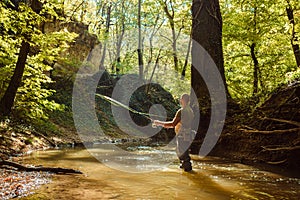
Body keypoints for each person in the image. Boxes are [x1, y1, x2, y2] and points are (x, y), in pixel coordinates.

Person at [153, 93, 194, 172]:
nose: (180, 100)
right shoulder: (190, 111)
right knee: (184, 153)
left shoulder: (181, 111)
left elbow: (172, 124)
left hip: (182, 135)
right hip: (188, 135)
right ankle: (185, 171)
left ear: (182, 100)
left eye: (181, 99)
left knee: (183, 155)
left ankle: (188, 171)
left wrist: (159, 123)